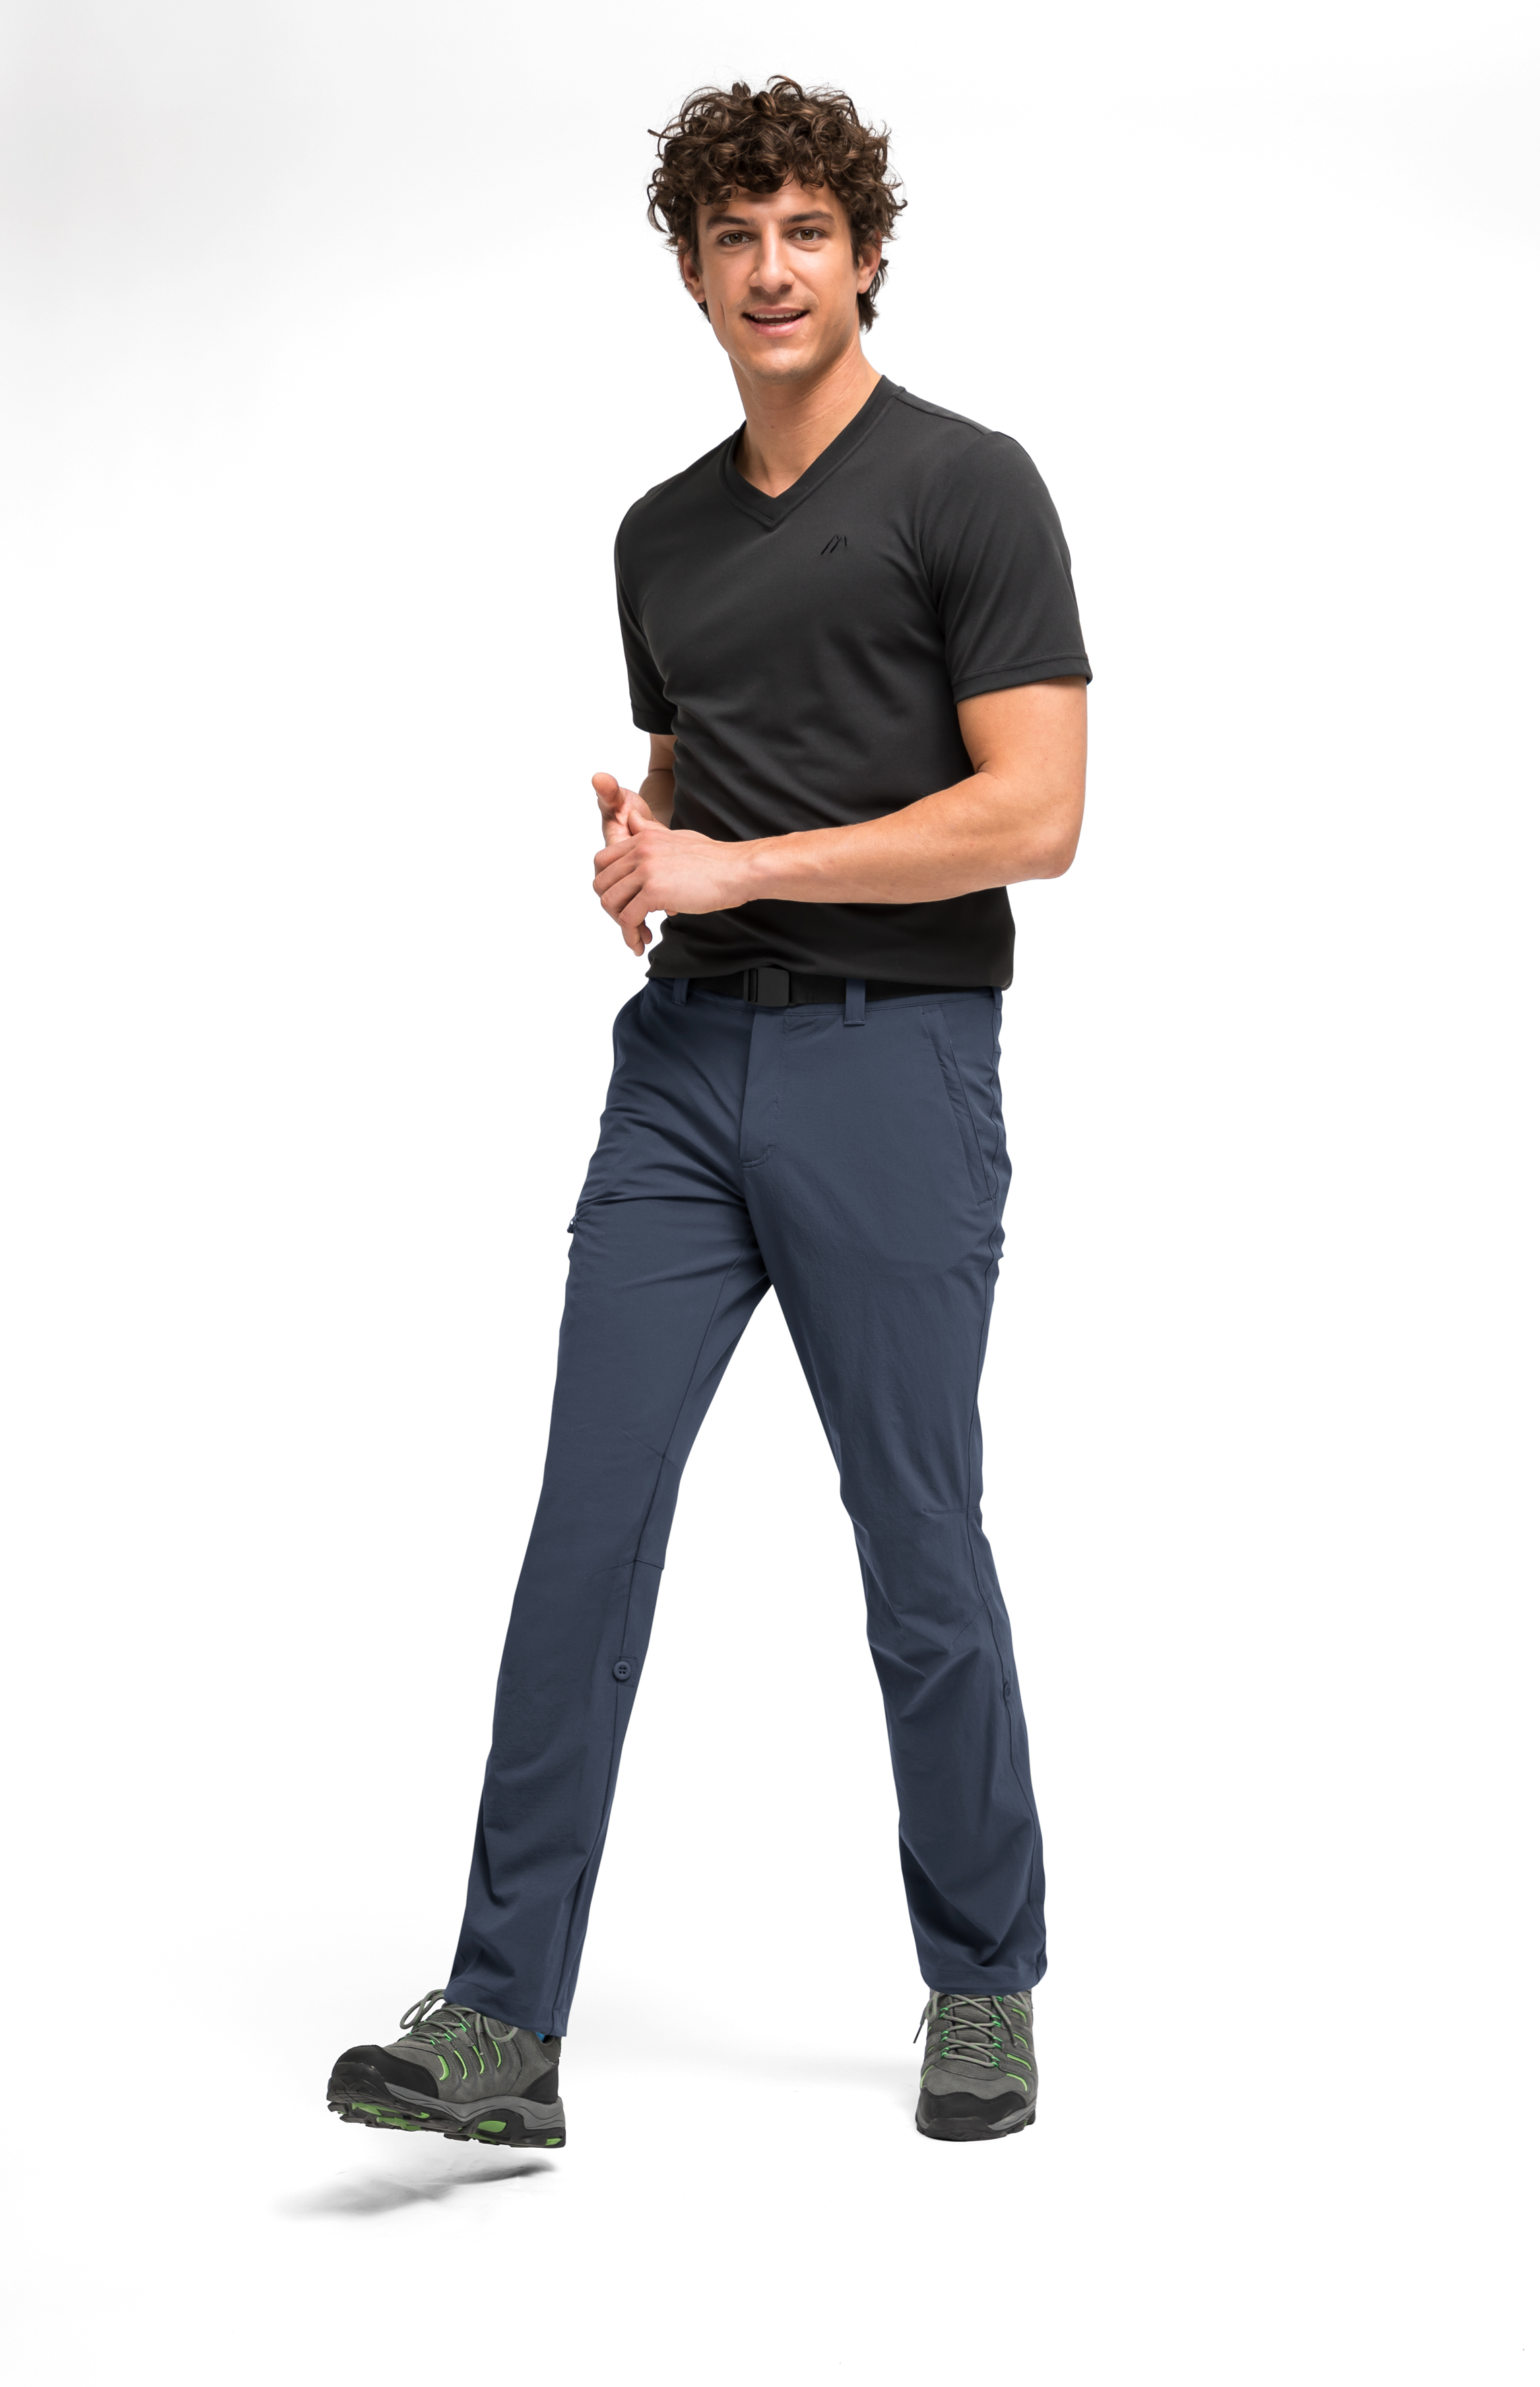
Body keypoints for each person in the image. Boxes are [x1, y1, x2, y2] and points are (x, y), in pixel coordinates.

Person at [327, 75, 1089, 2149]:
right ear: (689, 268)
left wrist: (742, 862)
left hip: (892, 1061)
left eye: (807, 231)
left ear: (867, 255)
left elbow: (1038, 812)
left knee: (915, 1534)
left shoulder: (970, 488)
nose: (772, 268)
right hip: (682, 1065)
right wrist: (650, 847)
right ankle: (503, 2025)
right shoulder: (658, 534)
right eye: (734, 235)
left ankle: (982, 1983)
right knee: (587, 1526)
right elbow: (696, 777)